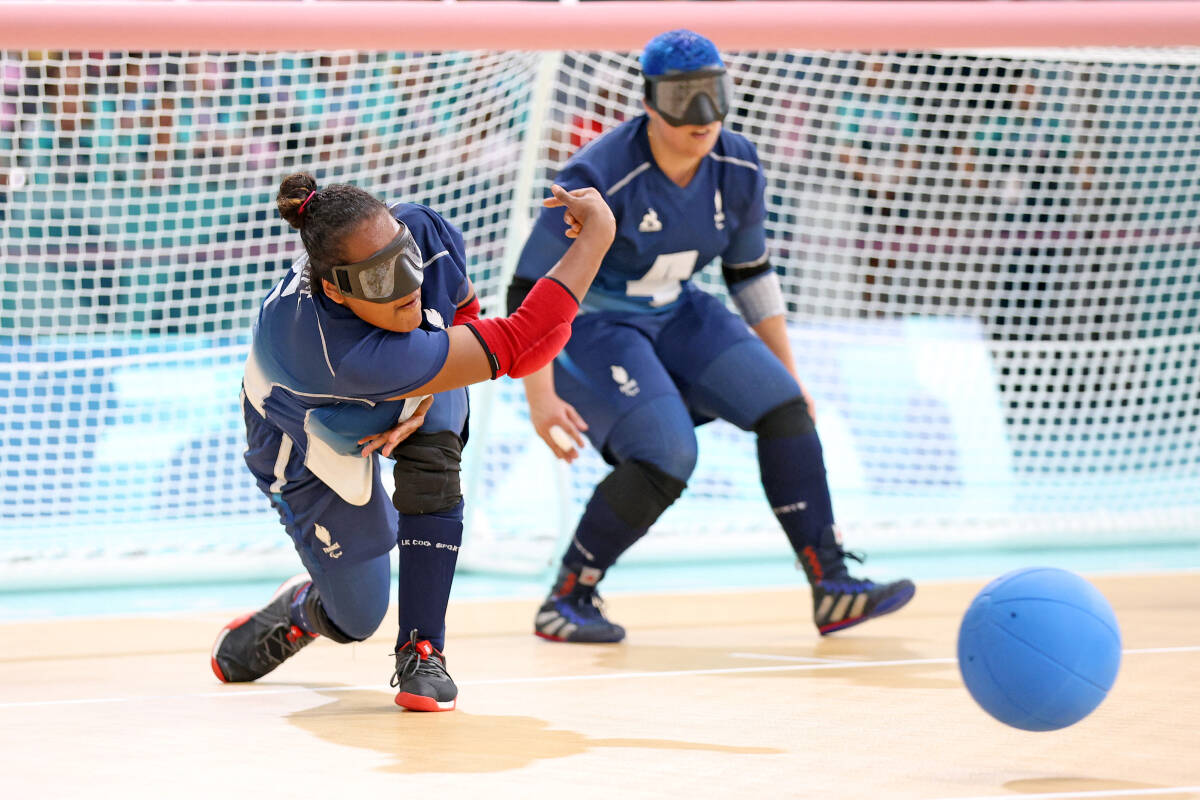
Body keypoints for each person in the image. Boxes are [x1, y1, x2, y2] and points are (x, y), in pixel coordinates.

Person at [508, 30, 915, 643]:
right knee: (667, 455)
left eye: (713, 94)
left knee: (785, 409)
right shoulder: (598, 176)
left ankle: (832, 586)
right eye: (682, 97)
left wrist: (790, 373)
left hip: (678, 311)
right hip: (592, 324)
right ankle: (567, 599)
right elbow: (527, 290)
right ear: (648, 102)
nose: (703, 116)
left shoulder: (739, 164)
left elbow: (749, 273)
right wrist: (538, 395)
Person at [210, 172, 615, 710]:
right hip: (305, 438)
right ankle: (303, 610)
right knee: (356, 618)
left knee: (437, 438)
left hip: (391, 381)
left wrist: (422, 395)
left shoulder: (423, 230)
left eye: (405, 259)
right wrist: (596, 238)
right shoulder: (332, 350)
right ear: (335, 288)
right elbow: (526, 342)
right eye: (380, 280)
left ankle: (422, 651)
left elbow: (464, 314)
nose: (408, 286)